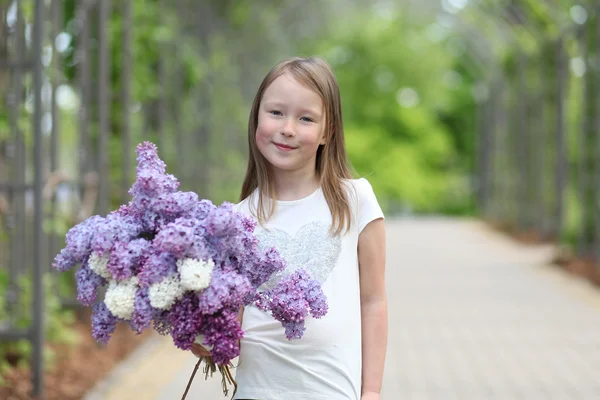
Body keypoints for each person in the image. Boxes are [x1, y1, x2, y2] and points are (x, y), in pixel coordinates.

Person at [192, 56, 387, 400]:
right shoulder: (236, 220)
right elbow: (230, 332)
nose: (288, 128)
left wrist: (370, 392)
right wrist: (204, 336)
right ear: (256, 119)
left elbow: (373, 301)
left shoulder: (354, 201)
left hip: (332, 391)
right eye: (276, 113)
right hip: (257, 392)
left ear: (328, 131)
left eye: (306, 118)